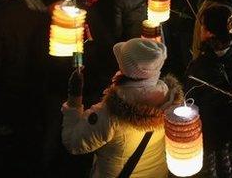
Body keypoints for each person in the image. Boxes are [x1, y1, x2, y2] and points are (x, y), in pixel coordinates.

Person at [62, 38, 183, 178]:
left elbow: (73, 142)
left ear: (125, 68)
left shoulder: (109, 115)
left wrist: (74, 100)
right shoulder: (172, 101)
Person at [185, 5, 232, 178]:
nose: (200, 27)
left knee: (209, 161)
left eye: (203, 25)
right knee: (224, 153)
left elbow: (190, 99)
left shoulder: (201, 67)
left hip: (210, 124)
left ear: (209, 33)